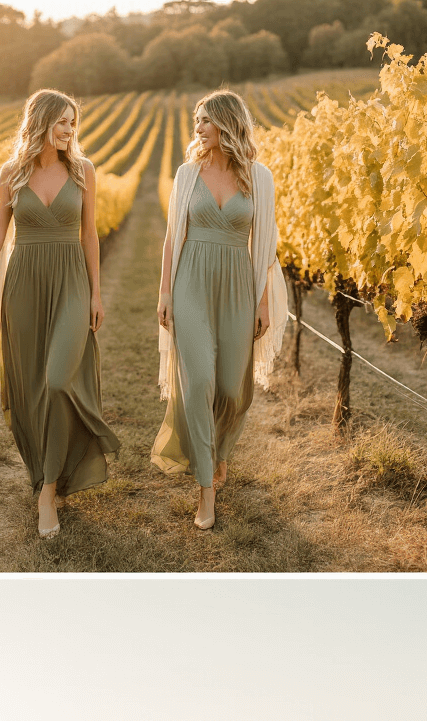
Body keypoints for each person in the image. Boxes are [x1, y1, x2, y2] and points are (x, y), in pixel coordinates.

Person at [0, 89, 119, 539]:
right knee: (32, 388)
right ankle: (48, 476)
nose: (70, 129)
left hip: (71, 283)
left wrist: (96, 294)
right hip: (24, 286)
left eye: (73, 122)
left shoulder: (83, 171)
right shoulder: (12, 173)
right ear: (41, 122)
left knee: (59, 381)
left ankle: (48, 492)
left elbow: (89, 235)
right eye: (62, 121)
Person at [152, 90, 287, 531]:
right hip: (190, 281)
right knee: (199, 382)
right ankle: (205, 487)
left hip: (237, 287)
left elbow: (265, 244)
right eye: (197, 120)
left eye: (205, 120)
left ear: (228, 123)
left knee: (231, 387)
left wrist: (263, 300)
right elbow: (173, 235)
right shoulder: (187, 173)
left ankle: (219, 450)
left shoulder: (259, 177)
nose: (198, 128)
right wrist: (165, 292)